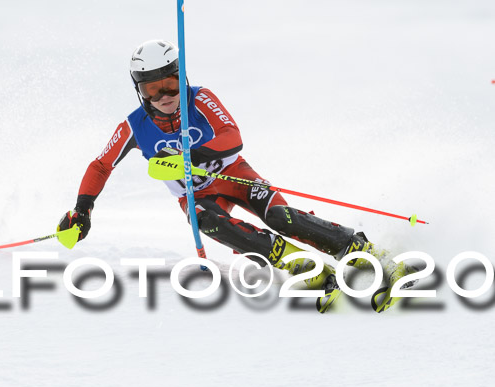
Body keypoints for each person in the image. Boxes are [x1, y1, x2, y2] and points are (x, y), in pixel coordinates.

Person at [58, 39, 407, 306]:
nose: (165, 94)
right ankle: (299, 264)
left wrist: (192, 155)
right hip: (196, 196)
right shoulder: (134, 127)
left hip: (234, 176)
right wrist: (82, 210)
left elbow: (232, 137)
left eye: (171, 83)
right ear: (140, 92)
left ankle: (363, 251)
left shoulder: (200, 99)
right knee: (205, 220)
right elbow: (100, 165)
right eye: (153, 89)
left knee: (282, 216)